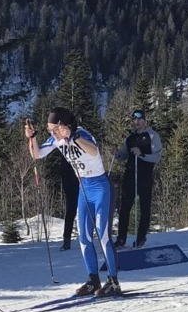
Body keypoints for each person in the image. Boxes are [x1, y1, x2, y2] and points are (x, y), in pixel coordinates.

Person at [25, 107, 121, 297]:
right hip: (84, 188)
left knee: (103, 236)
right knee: (84, 237)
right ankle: (93, 280)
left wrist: (73, 137)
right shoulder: (56, 139)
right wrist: (32, 137)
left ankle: (113, 281)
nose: (52, 134)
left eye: (54, 129)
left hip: (101, 187)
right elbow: (36, 154)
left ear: (63, 125)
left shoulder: (81, 134)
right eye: (49, 130)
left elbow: (94, 152)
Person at [114, 109, 162, 249]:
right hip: (130, 175)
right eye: (134, 119)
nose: (137, 121)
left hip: (145, 175)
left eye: (140, 119)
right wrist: (117, 154)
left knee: (144, 207)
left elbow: (157, 157)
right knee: (124, 208)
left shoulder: (152, 136)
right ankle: (121, 238)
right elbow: (123, 155)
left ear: (145, 120)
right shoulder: (130, 138)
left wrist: (141, 154)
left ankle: (141, 238)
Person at [59, 157, 79, 251]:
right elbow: (64, 172)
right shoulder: (64, 153)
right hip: (71, 186)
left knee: (89, 212)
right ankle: (66, 241)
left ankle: (89, 239)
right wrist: (67, 188)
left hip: (84, 183)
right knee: (70, 212)